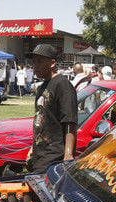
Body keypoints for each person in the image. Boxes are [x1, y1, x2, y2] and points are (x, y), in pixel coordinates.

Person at [26, 44, 78, 173]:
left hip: (54, 157)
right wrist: (33, 148)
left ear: (52, 63)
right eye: (34, 62)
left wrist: (68, 154)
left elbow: (69, 121)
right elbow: (42, 118)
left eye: (40, 61)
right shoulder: (41, 87)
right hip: (40, 154)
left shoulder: (62, 84)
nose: (35, 66)